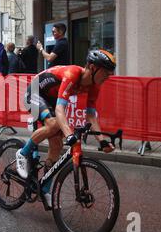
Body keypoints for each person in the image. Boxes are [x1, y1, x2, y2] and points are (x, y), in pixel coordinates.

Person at [15, 49, 116, 207]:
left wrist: (102, 141)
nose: (108, 76)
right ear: (92, 67)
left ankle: (45, 189)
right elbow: (59, 110)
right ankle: (23, 153)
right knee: (54, 124)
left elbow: (91, 115)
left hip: (50, 98)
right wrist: (70, 135)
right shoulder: (72, 74)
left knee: (57, 144)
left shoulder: (95, 86)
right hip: (34, 92)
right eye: (106, 72)